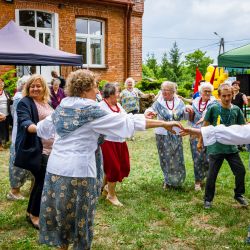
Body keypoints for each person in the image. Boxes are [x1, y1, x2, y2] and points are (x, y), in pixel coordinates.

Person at [35, 69, 183, 250]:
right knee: (81, 218)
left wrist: (25, 126)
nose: (98, 92)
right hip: (79, 172)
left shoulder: (62, 108)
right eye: (95, 87)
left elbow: (42, 129)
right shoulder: (90, 111)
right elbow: (126, 122)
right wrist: (164, 123)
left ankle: (62, 247)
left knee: (63, 215)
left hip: (55, 170)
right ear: (84, 89)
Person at [199, 83, 247, 209]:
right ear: (219, 96)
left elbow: (242, 127)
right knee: (212, 175)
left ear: (232, 95)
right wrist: (200, 141)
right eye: (224, 96)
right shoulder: (213, 108)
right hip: (216, 147)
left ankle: (239, 194)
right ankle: (208, 199)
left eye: (229, 95)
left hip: (231, 148)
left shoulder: (236, 109)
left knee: (241, 171)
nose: (227, 98)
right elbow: (205, 126)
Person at [15, 74, 53, 229]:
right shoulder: (24, 102)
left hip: (51, 148)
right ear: (28, 88)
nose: (35, 88)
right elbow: (26, 122)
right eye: (32, 86)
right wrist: (35, 128)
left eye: (38, 85)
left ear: (44, 88)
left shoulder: (45, 103)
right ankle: (35, 215)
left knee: (40, 181)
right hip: (38, 149)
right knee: (42, 181)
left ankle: (31, 211)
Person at [145, 81, 192, 189]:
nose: (164, 93)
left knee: (177, 156)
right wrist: (149, 112)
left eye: (167, 91)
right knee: (165, 157)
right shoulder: (158, 102)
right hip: (162, 134)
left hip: (176, 133)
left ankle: (178, 180)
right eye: (163, 90)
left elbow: (184, 116)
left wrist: (188, 110)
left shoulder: (180, 102)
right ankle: (167, 180)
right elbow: (151, 110)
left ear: (173, 92)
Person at [99, 83, 129, 207]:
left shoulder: (118, 105)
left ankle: (105, 188)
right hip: (108, 141)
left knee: (124, 166)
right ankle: (111, 195)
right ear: (111, 94)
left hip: (120, 141)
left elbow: (126, 118)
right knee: (113, 167)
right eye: (117, 92)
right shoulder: (101, 107)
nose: (119, 94)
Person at [7, 75, 33, 201]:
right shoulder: (19, 98)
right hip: (20, 137)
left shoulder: (25, 98)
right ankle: (14, 192)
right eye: (31, 85)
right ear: (24, 86)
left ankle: (32, 189)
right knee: (17, 165)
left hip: (27, 136)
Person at [189, 82, 216, 191]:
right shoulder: (194, 102)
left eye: (209, 91)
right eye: (206, 91)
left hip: (209, 133)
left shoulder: (214, 103)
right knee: (197, 157)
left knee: (208, 158)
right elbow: (191, 118)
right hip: (195, 132)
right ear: (200, 92)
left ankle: (207, 178)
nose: (208, 93)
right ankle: (198, 181)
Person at [0, 78, 12, 150]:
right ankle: (0, 144)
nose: (1, 84)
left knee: (6, 128)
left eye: (2, 82)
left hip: (7, 114)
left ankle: (6, 142)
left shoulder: (6, 92)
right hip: (0, 115)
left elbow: (10, 101)